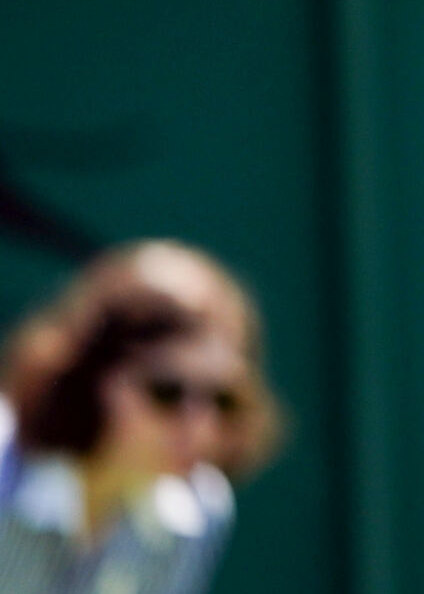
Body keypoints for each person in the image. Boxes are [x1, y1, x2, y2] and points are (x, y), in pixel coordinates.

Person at [0, 240, 283, 593]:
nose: (200, 427)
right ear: (94, 376)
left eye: (223, 400)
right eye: (168, 392)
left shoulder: (200, 510)